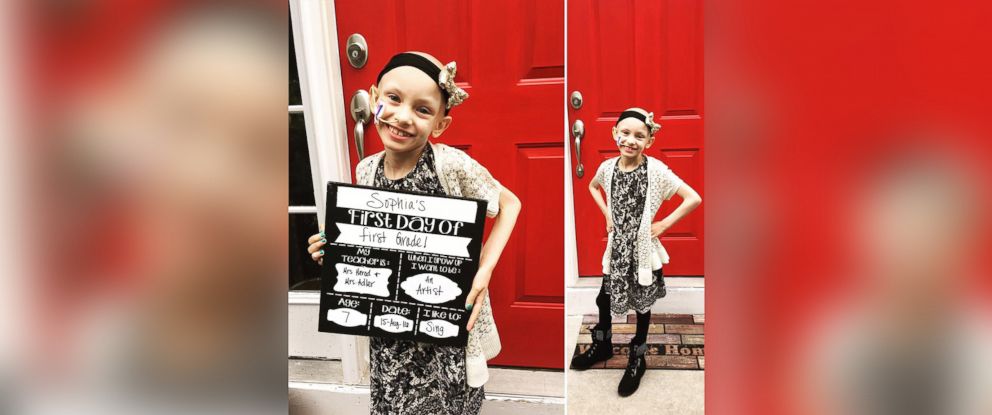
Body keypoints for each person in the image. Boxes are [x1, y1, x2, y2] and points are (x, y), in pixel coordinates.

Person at [307, 51, 521, 415]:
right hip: (389, 333)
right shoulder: (366, 171)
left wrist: (483, 272)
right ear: (374, 98)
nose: (402, 116)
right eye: (393, 98)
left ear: (440, 124)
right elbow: (370, 249)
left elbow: (510, 204)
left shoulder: (449, 165)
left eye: (422, 110)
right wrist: (334, 252)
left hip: (444, 333)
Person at [571, 107, 701, 397]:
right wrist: (607, 214)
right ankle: (602, 344)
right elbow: (593, 188)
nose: (630, 140)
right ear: (614, 133)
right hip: (617, 251)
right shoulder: (607, 169)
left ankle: (638, 356)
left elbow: (693, 197)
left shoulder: (655, 171)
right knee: (603, 298)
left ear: (649, 141)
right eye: (625, 133)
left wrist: (664, 223)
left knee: (642, 306)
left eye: (639, 136)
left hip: (642, 253)